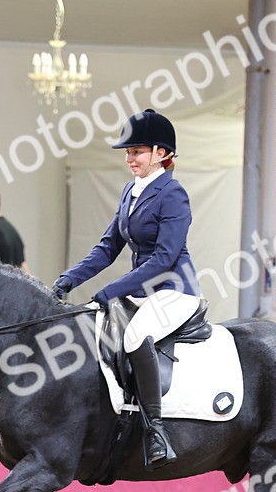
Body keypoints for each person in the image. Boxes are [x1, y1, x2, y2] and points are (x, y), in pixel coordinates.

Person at [50, 109, 199, 471]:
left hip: (173, 289)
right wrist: (68, 279)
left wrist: (110, 291)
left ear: (162, 153)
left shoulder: (173, 194)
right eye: (128, 152)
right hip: (142, 290)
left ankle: (155, 431)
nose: (130, 158)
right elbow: (107, 248)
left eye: (137, 151)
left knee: (135, 337)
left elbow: (163, 258)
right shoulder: (131, 191)